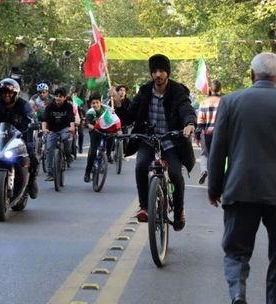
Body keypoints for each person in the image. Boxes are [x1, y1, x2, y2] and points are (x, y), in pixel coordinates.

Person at [208, 52, 276, 304]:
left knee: (236, 253)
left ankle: (237, 293)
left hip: (241, 189)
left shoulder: (231, 101)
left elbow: (218, 150)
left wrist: (214, 188)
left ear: (252, 75)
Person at [112, 54, 196, 231]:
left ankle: (179, 211)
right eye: (155, 71)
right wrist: (119, 104)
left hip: (171, 140)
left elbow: (186, 108)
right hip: (149, 139)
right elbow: (128, 117)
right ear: (151, 74)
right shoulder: (144, 92)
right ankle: (144, 207)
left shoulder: (177, 91)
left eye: (162, 71)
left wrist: (189, 124)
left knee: (175, 174)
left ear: (167, 73)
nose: (158, 74)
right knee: (141, 165)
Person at [0, 78, 39, 199]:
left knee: (31, 155)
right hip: (1, 138)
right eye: (4, 93)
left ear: (15, 94)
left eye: (9, 92)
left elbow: (32, 118)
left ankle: (31, 182)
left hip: (21, 137)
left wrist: (33, 124)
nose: (6, 95)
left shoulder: (24, 105)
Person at [83, 92, 121, 183]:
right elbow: (87, 122)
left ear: (100, 102)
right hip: (95, 132)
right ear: (90, 104)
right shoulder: (91, 112)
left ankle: (107, 155)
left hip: (106, 131)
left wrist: (118, 129)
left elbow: (115, 120)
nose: (95, 105)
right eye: (93, 103)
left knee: (112, 137)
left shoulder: (107, 109)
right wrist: (90, 126)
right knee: (92, 153)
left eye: (97, 102)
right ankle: (87, 173)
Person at [42, 87, 75, 181]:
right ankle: (50, 173)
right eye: (56, 96)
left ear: (64, 98)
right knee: (49, 148)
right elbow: (45, 119)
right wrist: (44, 129)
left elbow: (71, 118)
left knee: (66, 138)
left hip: (64, 128)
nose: (58, 98)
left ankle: (68, 154)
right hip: (52, 130)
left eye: (60, 96)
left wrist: (72, 127)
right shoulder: (49, 106)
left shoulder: (68, 106)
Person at [196, 80, 221, 185]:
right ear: (220, 89)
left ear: (210, 89)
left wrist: (197, 136)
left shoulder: (204, 103)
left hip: (207, 134)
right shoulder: (224, 101)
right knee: (219, 156)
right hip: (221, 134)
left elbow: (200, 121)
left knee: (204, 155)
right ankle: (217, 178)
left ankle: (204, 170)